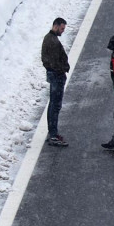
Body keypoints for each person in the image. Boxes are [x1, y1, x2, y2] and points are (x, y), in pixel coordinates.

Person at [41, 17, 70, 147]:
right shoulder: (52, 41)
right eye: (62, 28)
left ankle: (53, 133)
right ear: (56, 26)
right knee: (55, 106)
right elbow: (54, 62)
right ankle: (53, 134)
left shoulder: (50, 39)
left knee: (53, 105)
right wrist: (63, 69)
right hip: (56, 76)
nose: (63, 31)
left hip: (55, 75)